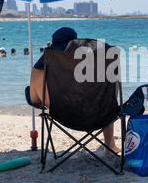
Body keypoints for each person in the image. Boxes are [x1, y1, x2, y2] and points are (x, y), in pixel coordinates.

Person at [28, 27, 120, 155]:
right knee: (106, 101)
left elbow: (35, 101)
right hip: (99, 115)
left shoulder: (40, 68)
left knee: (105, 101)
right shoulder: (91, 66)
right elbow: (112, 96)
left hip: (63, 115)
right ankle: (110, 146)